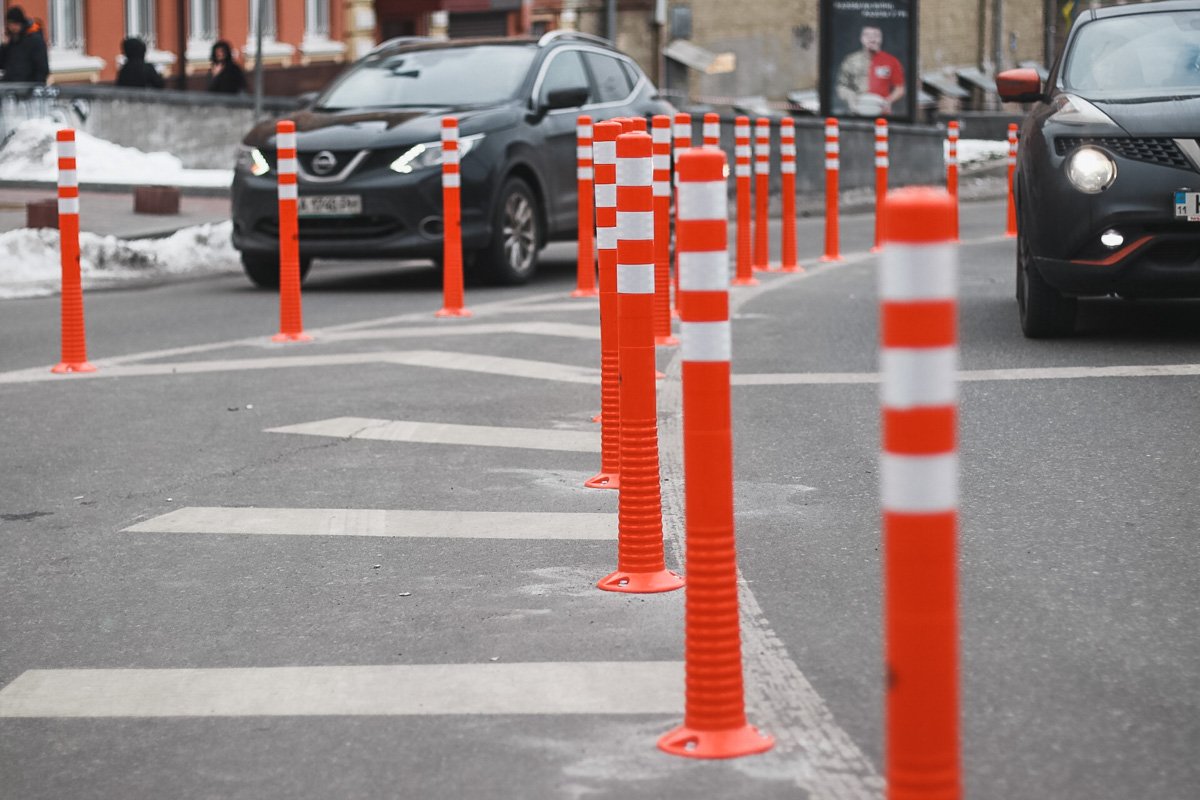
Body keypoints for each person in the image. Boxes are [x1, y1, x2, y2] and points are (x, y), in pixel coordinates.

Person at [835, 24, 905, 116]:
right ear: (861, 38)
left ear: (881, 38)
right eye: (867, 35)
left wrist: (889, 100)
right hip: (856, 111)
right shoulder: (851, 61)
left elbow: (899, 88)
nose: (872, 39)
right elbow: (841, 86)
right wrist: (851, 98)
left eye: (876, 35)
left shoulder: (891, 61)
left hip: (882, 112)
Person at [0, 5, 49, 84]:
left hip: (28, 86)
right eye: (10, 24)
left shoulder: (34, 40)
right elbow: (2, 64)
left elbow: (42, 68)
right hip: (10, 86)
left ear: (21, 23)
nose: (13, 27)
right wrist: (3, 47)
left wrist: (36, 86)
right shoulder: (9, 42)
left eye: (16, 24)